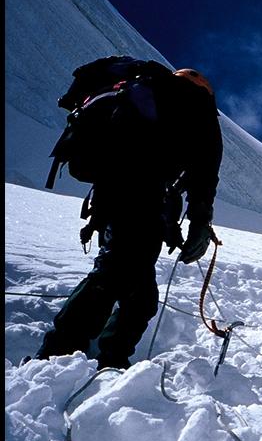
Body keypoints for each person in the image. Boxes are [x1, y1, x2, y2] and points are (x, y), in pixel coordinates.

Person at [35, 62, 223, 370]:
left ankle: (106, 360)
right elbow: (204, 174)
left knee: (136, 292)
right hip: (142, 200)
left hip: (110, 195)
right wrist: (200, 223)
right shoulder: (198, 107)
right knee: (114, 277)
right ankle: (57, 357)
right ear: (206, 92)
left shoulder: (139, 91)